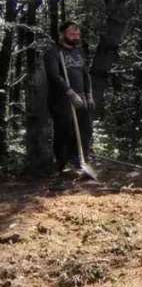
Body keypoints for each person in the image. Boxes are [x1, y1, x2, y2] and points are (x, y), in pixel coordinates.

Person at [43, 20, 93, 173]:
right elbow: (54, 75)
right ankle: (62, 165)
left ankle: (80, 162)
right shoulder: (54, 52)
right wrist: (70, 92)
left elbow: (85, 74)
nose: (75, 36)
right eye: (72, 33)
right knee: (64, 130)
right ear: (63, 34)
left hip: (82, 96)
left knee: (85, 129)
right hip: (62, 98)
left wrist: (89, 94)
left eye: (77, 33)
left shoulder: (78, 52)